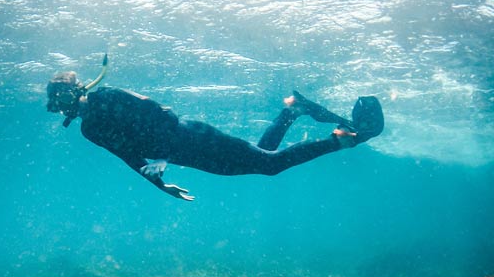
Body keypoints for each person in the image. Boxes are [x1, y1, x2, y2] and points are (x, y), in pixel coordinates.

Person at [46, 57, 384, 201]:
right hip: (186, 155)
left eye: (62, 96)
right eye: (55, 102)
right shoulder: (88, 130)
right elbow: (128, 155)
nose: (62, 106)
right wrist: (159, 184)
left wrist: (162, 155)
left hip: (191, 136)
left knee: (269, 165)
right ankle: (291, 112)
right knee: (263, 159)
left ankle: (337, 140)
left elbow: (158, 112)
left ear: (77, 90)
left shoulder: (107, 96)